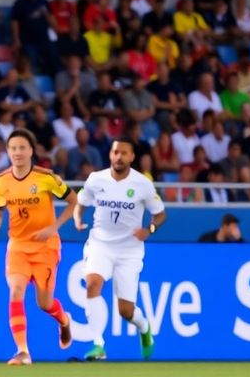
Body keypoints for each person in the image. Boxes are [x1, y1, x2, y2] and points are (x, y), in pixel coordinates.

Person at [0, 129, 75, 366]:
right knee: (15, 291)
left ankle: (64, 320)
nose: (17, 152)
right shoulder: (1, 181)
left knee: (44, 303)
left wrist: (54, 226)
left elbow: (73, 201)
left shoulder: (46, 178)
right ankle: (23, 351)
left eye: (22, 148)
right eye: (13, 148)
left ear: (31, 151)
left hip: (45, 247)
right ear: (8, 151)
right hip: (17, 245)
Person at [73, 137, 166, 361]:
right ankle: (98, 345)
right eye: (116, 152)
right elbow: (81, 202)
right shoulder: (96, 179)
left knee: (125, 310)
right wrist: (77, 219)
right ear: (110, 155)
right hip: (100, 244)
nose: (119, 157)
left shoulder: (142, 184)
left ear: (132, 157)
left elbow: (160, 214)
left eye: (124, 153)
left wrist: (149, 229)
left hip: (129, 251)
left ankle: (144, 329)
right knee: (93, 284)